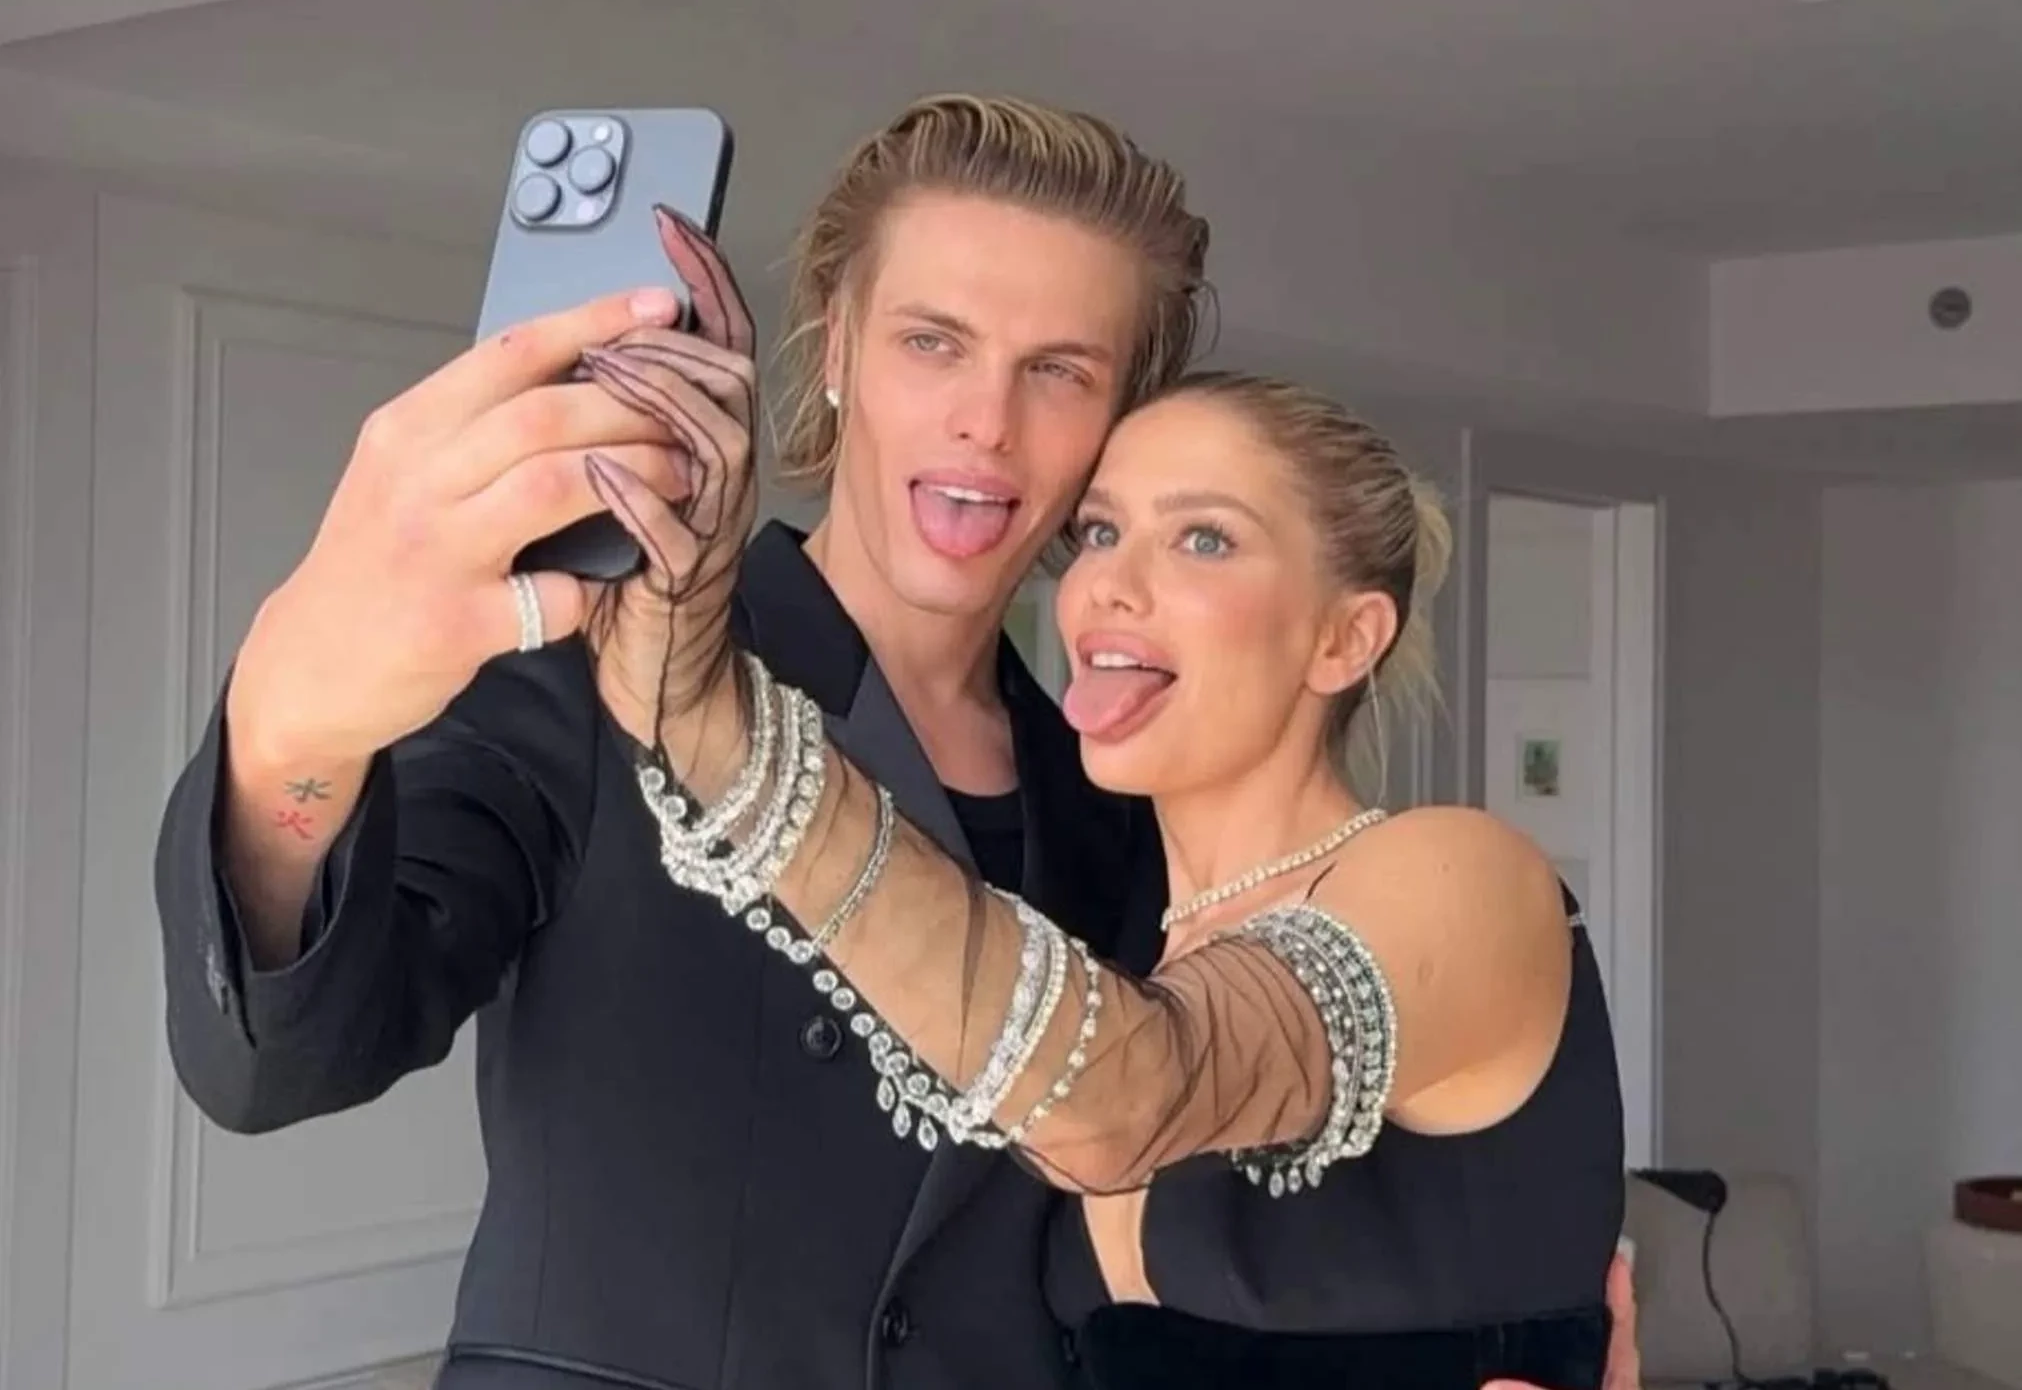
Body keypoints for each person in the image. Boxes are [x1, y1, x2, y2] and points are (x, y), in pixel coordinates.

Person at [150, 92, 1640, 1390]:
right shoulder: (586, 674)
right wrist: (296, 717)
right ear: (839, 349)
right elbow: (278, 1060)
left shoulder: (1130, 810)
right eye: (935, 342)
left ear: (1114, 418)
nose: (987, 420)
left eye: (1060, 370)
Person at [580, 324, 1629, 1387]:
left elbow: (1132, 1091)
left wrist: (722, 736)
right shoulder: (1115, 934)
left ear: (1343, 638)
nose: (1108, 585)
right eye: (1099, 531)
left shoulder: (1462, 876)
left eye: (1204, 538)